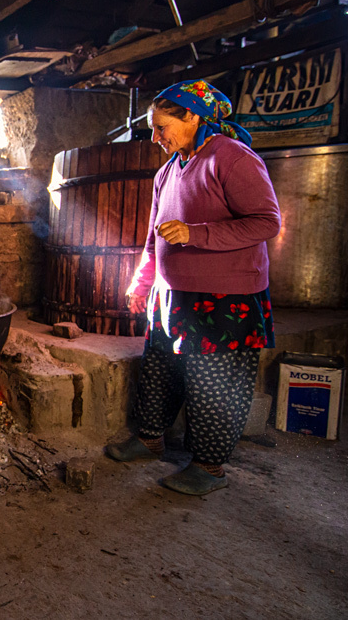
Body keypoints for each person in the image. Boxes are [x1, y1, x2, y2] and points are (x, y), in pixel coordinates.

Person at [106, 79, 281, 496]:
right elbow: (154, 236)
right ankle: (149, 439)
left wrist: (195, 234)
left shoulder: (232, 157)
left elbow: (266, 222)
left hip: (225, 299)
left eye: (161, 127)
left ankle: (209, 467)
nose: (155, 137)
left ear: (192, 116)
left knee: (214, 382)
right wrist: (142, 282)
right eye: (153, 128)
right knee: (159, 371)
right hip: (171, 295)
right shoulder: (167, 171)